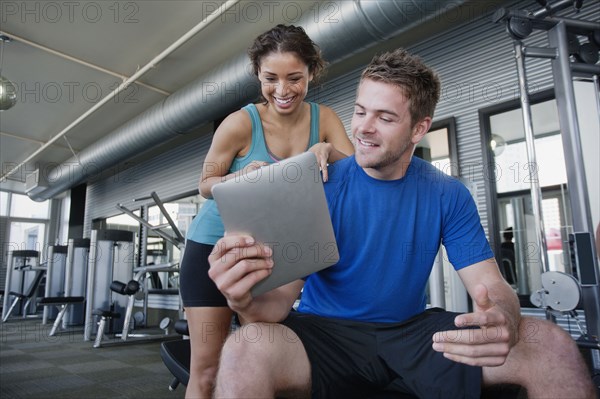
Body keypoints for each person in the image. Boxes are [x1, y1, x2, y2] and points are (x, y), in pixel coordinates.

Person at [207, 49, 596, 398]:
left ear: (418, 128)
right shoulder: (319, 186)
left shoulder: (447, 193)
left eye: (385, 117)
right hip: (325, 333)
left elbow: (491, 284)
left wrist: (504, 316)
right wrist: (241, 299)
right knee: (245, 346)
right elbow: (272, 309)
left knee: (550, 343)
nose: (363, 128)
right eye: (360, 112)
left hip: (413, 333)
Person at [178, 24, 353, 398]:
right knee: (207, 371)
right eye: (270, 78)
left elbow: (357, 175)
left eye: (295, 78)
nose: (283, 90)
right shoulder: (241, 123)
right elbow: (205, 184)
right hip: (213, 248)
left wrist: (327, 151)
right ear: (258, 75)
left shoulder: (325, 120)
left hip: (276, 253)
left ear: (311, 72)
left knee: (257, 362)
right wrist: (239, 178)